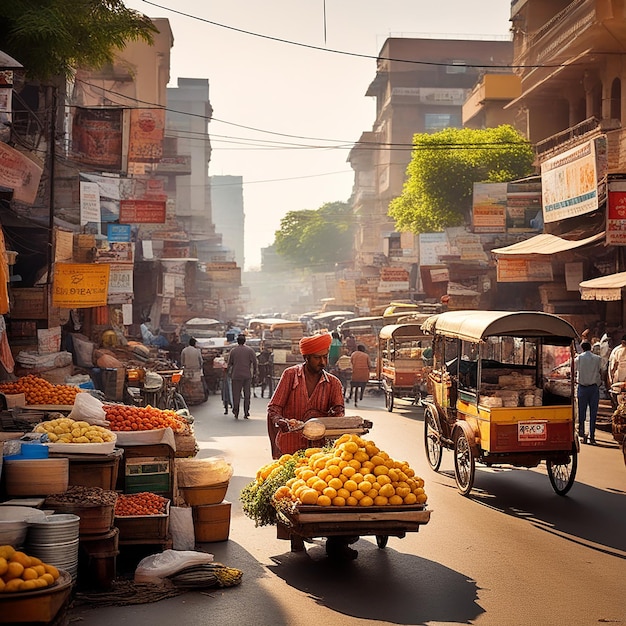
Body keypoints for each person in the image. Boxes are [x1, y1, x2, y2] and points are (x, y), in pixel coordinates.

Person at [267, 333, 355, 560]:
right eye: (318, 358)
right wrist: (283, 422)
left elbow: (339, 412)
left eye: (325, 357)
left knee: (328, 492)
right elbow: (274, 409)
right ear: (306, 357)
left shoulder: (333, 383)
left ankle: (337, 541)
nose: (323, 362)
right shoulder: (289, 376)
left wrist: (333, 418)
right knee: (293, 493)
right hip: (290, 446)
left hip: (320, 451)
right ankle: (296, 537)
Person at [575, 340, 602, 445]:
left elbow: (572, 368)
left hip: (582, 388)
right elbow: (601, 371)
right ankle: (592, 436)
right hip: (594, 388)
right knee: (593, 413)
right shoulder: (597, 359)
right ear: (590, 348)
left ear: (582, 348)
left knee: (582, 413)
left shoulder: (579, 358)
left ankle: (582, 434)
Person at [227, 334, 258, 419]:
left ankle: (236, 411)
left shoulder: (233, 351)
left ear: (237, 341)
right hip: (247, 376)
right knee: (247, 395)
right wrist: (255, 373)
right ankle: (246, 412)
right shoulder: (250, 350)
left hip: (236, 375)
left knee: (236, 394)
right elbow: (255, 363)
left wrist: (228, 373)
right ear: (245, 341)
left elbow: (229, 364)